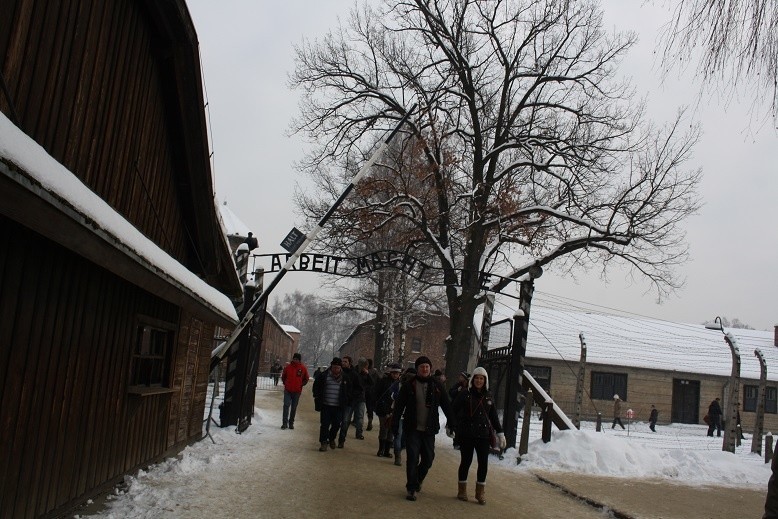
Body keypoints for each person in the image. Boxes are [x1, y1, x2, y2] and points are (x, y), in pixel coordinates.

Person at [392, 356, 455, 501]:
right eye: (422, 367)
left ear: (430, 368)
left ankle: (418, 479)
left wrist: (452, 422)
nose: (425, 369)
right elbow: (399, 405)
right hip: (412, 427)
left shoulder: (437, 385)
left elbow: (446, 404)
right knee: (412, 458)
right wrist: (395, 423)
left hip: (429, 429)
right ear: (418, 369)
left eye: (427, 366)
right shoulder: (409, 385)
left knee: (428, 458)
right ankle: (411, 488)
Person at [451, 366, 505, 505]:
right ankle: (462, 490)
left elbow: (493, 416)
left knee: (483, 463)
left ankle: (480, 493)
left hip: (483, 435)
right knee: (466, 461)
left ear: (485, 380)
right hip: (467, 434)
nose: (479, 381)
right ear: (473, 379)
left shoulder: (489, 396)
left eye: (482, 378)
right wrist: (450, 426)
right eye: (477, 378)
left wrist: (500, 433)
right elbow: (453, 410)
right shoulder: (465, 394)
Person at [312, 357, 347, 451]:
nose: (336, 369)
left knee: (336, 425)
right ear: (331, 367)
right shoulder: (324, 376)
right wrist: (317, 396)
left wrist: (347, 399)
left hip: (338, 406)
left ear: (340, 368)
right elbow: (316, 386)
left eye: (338, 368)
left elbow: (349, 390)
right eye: (334, 367)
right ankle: (323, 442)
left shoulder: (345, 378)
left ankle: (331, 438)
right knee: (324, 424)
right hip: (326, 405)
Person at [374, 363, 402, 459]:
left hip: (394, 411)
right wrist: (384, 409)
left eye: (397, 373)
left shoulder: (400, 384)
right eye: (394, 373)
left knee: (391, 431)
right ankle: (381, 449)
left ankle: (386, 450)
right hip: (383, 409)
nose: (395, 375)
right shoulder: (384, 382)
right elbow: (377, 394)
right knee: (384, 429)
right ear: (391, 373)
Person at [338, 356, 364, 447]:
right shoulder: (338, 372)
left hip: (348, 402)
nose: (343, 363)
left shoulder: (354, 374)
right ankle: (332, 437)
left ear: (350, 363)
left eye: (345, 361)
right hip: (337, 401)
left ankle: (341, 440)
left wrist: (351, 396)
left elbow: (359, 388)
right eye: (342, 361)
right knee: (336, 421)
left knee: (345, 421)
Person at [280, 353, 309, 430]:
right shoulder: (288, 367)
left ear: (299, 360)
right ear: (292, 359)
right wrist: (285, 383)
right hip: (288, 390)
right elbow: (283, 376)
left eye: (297, 359)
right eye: (294, 359)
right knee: (286, 406)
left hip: (297, 391)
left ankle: (291, 423)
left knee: (293, 408)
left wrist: (301, 384)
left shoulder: (303, 368)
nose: (295, 360)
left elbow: (306, 378)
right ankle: (284, 423)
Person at [448, 371, 469, 450]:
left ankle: (462, 442)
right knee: (457, 426)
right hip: (457, 409)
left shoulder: (468, 386)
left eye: (461, 376)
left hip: (465, 410)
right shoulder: (458, 385)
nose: (459, 377)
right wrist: (457, 390)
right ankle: (456, 443)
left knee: (463, 426)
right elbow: (451, 393)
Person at [365, 358, 380, 431]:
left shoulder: (365, 371)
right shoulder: (375, 372)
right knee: (370, 407)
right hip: (372, 392)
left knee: (365, 407)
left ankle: (356, 420)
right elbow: (379, 381)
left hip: (366, 392)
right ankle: (370, 419)